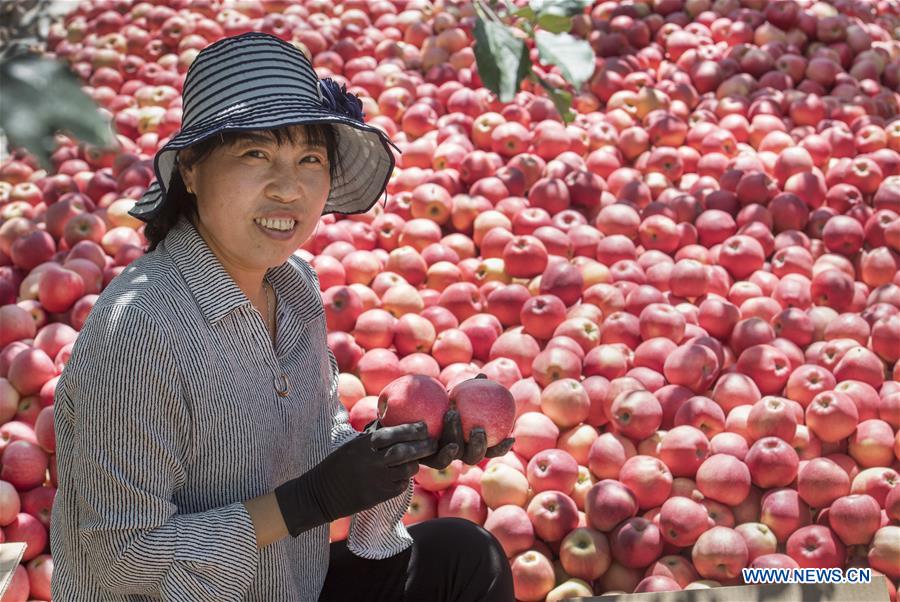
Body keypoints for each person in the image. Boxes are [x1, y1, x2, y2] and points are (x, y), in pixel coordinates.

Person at [49, 32, 516, 601]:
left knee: (467, 557)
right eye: (255, 153)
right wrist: (308, 502)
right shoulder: (143, 330)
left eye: (309, 159)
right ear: (192, 170)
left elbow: (314, 443)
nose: (288, 188)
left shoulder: (295, 287)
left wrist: (392, 452)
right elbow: (118, 560)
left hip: (289, 584)